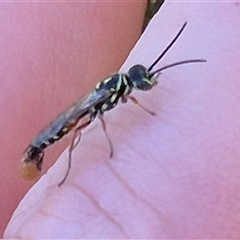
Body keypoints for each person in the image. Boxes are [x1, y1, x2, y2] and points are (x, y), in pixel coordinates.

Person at [3, 2, 240, 238]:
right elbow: (102, 115)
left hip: (76, 114)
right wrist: (111, 142)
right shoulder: (117, 90)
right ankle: (54, 161)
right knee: (76, 132)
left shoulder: (121, 85)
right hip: (73, 118)